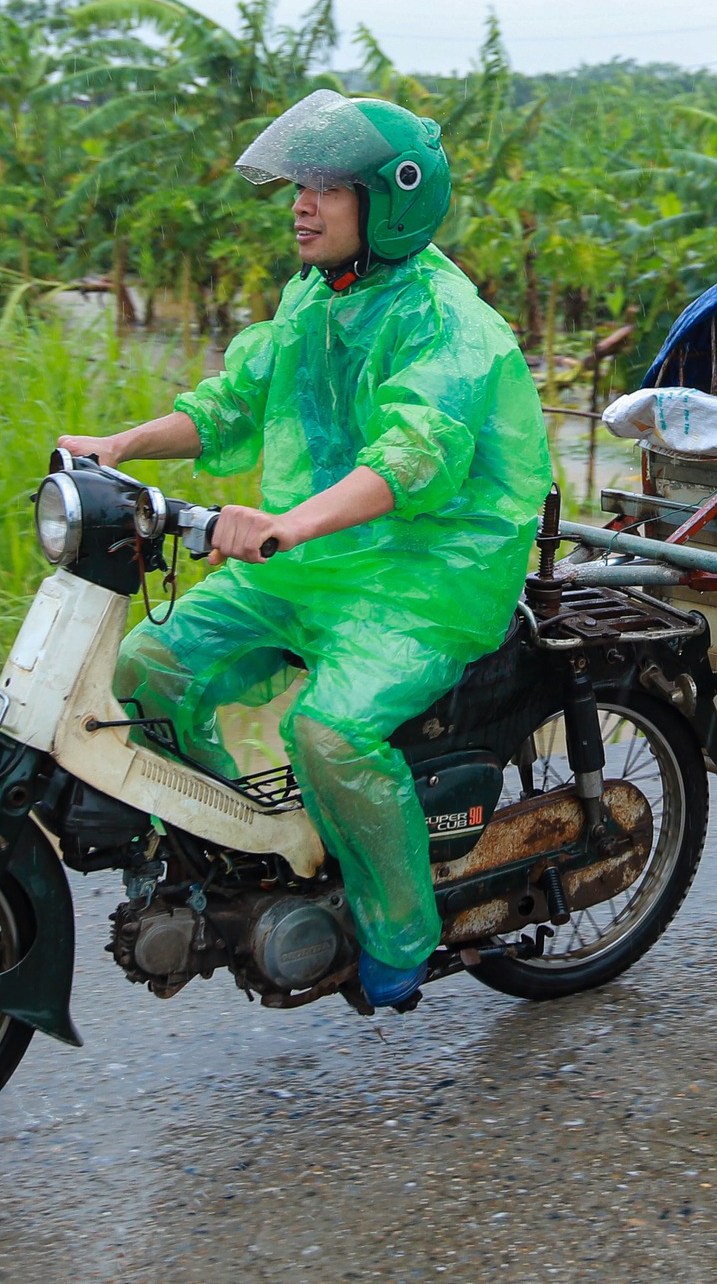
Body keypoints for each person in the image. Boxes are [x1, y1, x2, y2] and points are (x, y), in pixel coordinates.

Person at [56, 92, 552, 1011]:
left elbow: (410, 458)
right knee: (149, 664)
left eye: (328, 186)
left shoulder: (450, 323)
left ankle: (403, 931)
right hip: (322, 560)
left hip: (428, 573)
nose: (302, 203)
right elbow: (231, 404)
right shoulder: (313, 299)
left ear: (390, 200)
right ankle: (239, 844)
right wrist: (118, 445)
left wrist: (285, 526)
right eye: (300, 184)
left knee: (329, 731)